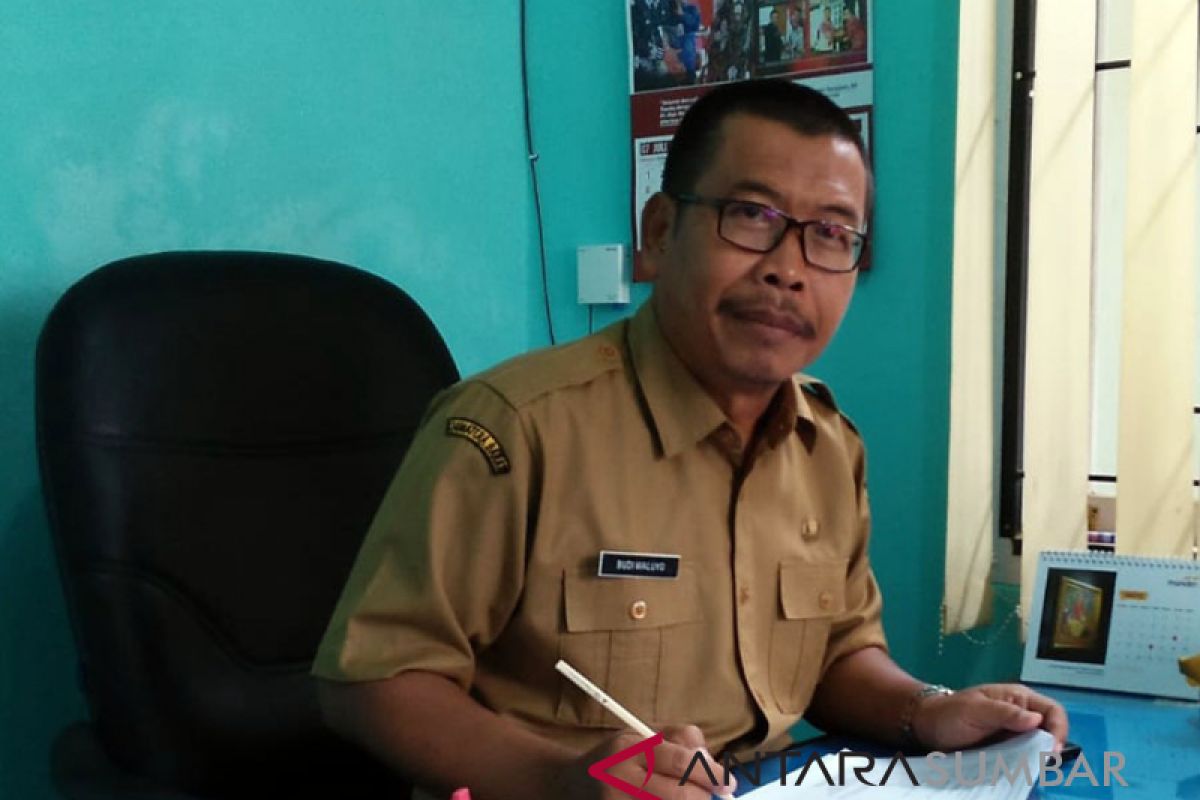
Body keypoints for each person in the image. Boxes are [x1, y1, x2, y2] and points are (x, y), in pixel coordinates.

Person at [313, 80, 1069, 800]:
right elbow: (373, 682)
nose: (788, 271)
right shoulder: (516, 429)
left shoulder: (829, 446)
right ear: (659, 234)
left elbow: (838, 654)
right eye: (752, 215)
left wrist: (928, 710)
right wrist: (564, 781)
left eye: (830, 235)